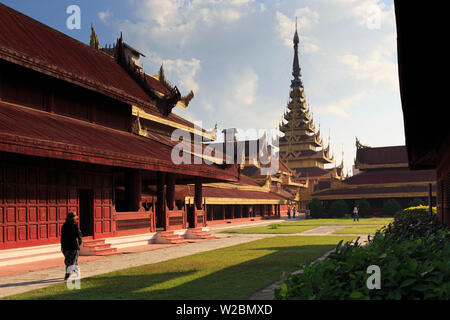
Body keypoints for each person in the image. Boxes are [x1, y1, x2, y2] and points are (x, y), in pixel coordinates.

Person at [61, 212, 83, 280]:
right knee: (72, 261)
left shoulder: (64, 225)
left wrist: (62, 246)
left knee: (70, 261)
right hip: (73, 246)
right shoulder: (74, 225)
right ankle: (70, 274)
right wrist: (79, 243)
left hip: (66, 246)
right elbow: (79, 235)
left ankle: (73, 274)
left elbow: (62, 237)